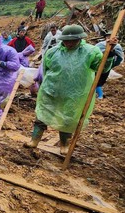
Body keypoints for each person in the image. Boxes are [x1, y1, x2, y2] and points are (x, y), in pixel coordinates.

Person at [24, 25, 103, 154]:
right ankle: (34, 140)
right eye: (66, 40)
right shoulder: (53, 52)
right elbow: (45, 70)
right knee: (42, 115)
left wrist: (109, 54)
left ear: (80, 39)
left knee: (68, 119)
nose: (69, 43)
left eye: (73, 41)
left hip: (75, 93)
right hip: (52, 89)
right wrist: (43, 85)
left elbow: (100, 68)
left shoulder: (90, 52)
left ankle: (64, 145)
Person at [95, 34, 123, 99]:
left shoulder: (117, 46)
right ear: (105, 37)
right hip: (97, 65)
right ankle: (99, 95)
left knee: (99, 81)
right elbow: (94, 54)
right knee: (96, 80)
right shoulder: (100, 45)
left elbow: (120, 57)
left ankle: (100, 96)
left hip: (107, 66)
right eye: (108, 36)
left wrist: (113, 64)